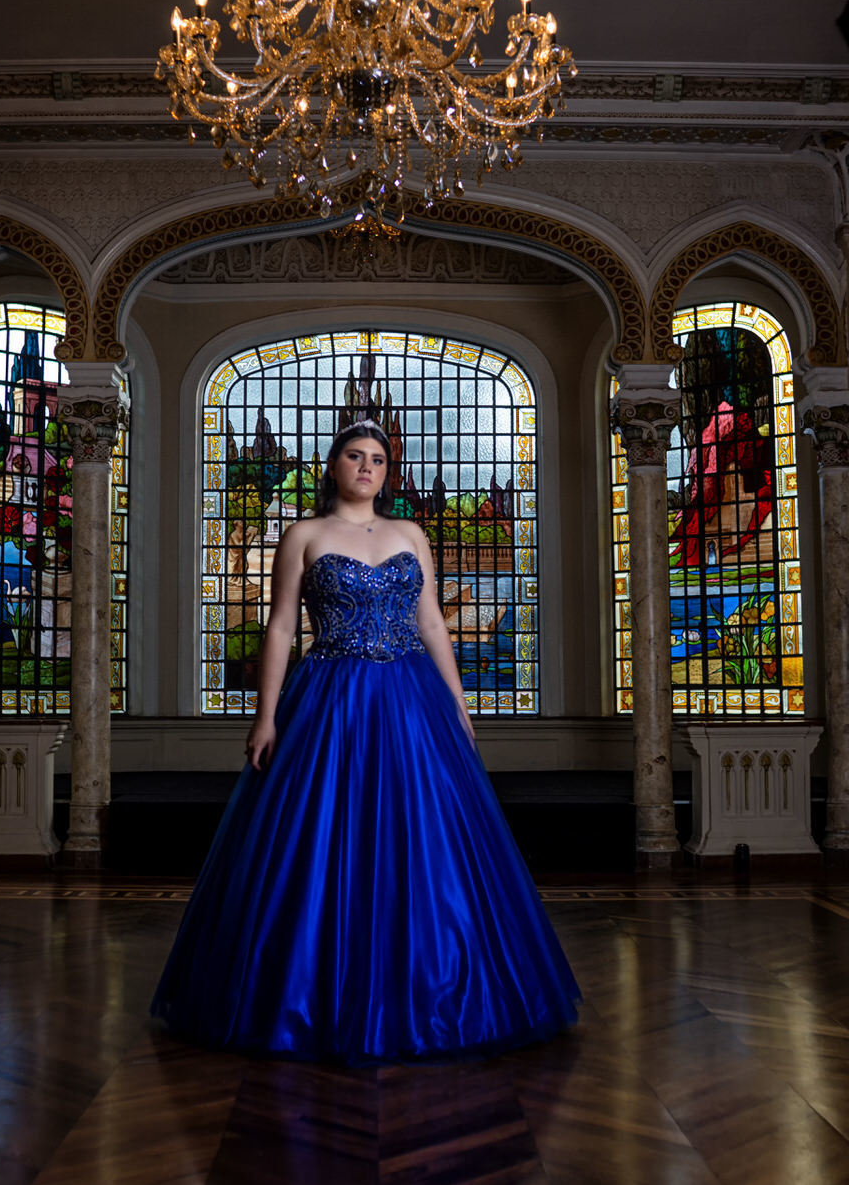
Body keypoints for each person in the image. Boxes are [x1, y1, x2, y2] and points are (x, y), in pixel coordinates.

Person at [151, 420, 579, 1064]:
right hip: (331, 696)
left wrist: (460, 706)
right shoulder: (305, 535)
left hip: (412, 698)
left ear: (389, 471)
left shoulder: (411, 534)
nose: (366, 467)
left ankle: (439, 992)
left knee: (427, 835)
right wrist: (266, 716)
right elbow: (279, 627)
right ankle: (307, 993)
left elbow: (432, 621)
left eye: (378, 459)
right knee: (318, 836)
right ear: (334, 465)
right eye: (355, 456)